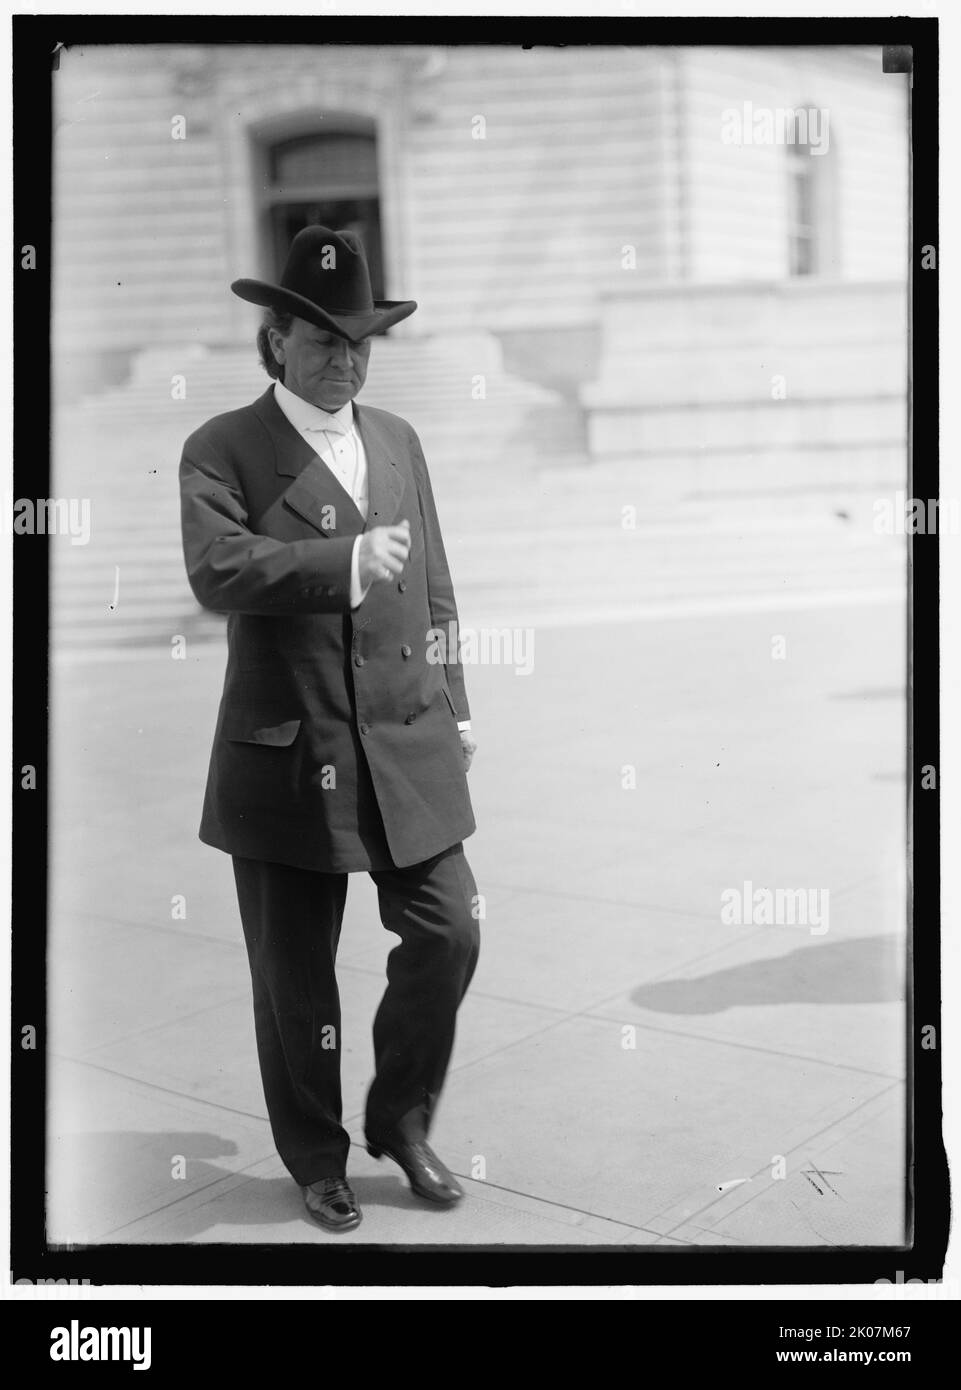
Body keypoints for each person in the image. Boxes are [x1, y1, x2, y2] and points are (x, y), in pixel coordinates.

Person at [179, 225, 480, 1233]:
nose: (343, 360)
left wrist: (460, 704)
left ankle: (401, 1119)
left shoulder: (397, 437)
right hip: (288, 747)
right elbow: (217, 569)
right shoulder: (222, 446)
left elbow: (435, 589)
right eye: (319, 342)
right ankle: (317, 1156)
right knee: (296, 979)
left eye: (356, 343)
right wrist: (346, 561)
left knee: (449, 931)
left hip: (408, 734)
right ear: (272, 346)